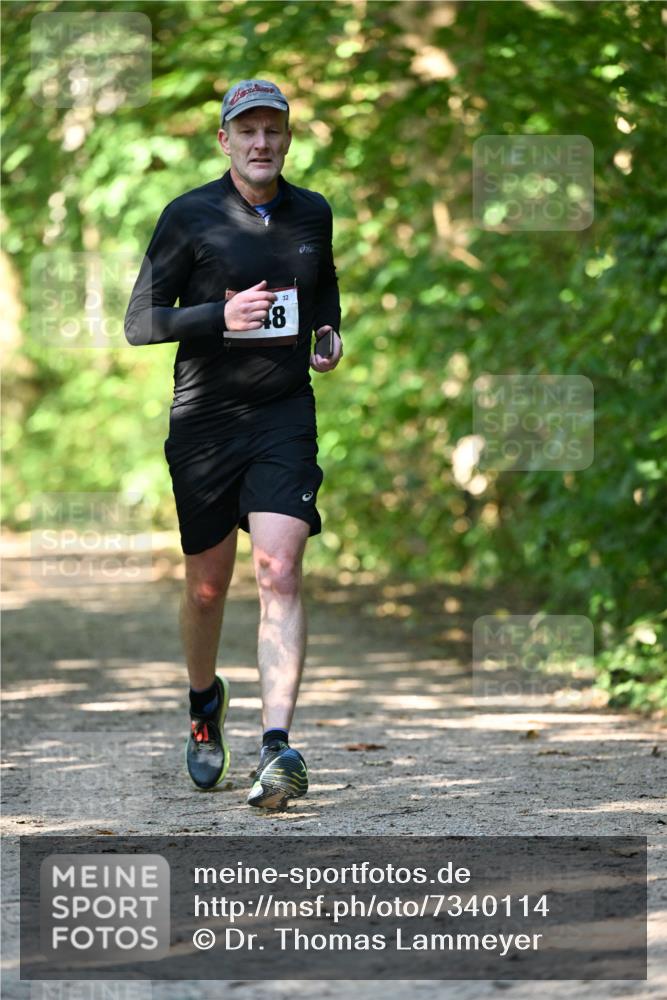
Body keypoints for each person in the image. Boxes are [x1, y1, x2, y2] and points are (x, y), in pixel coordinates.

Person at [124, 79, 342, 809]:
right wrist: (220, 313)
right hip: (206, 423)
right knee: (208, 588)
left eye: (272, 130)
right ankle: (201, 702)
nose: (260, 143)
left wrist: (327, 330)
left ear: (286, 137)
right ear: (224, 140)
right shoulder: (187, 215)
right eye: (245, 131)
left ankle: (278, 748)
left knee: (278, 571)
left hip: (284, 414)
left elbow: (322, 285)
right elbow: (141, 323)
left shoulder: (313, 211)